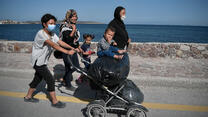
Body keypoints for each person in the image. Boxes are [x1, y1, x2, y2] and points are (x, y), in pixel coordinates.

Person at [24, 14, 76, 108]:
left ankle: (28, 97)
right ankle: (54, 101)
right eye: (50, 23)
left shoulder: (52, 34)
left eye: (54, 23)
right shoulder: (41, 34)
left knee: (37, 79)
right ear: (44, 24)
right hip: (38, 62)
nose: (53, 25)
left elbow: (60, 42)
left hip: (42, 62)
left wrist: (72, 47)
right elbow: (54, 45)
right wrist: (67, 51)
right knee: (50, 80)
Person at [59, 9, 83, 91]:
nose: (75, 18)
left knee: (76, 67)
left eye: (76, 16)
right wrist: (73, 30)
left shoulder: (73, 26)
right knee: (69, 67)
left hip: (74, 50)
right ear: (68, 17)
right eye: (73, 16)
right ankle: (68, 85)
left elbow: (75, 40)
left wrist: (79, 48)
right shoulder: (64, 26)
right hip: (66, 50)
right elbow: (68, 39)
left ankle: (65, 79)